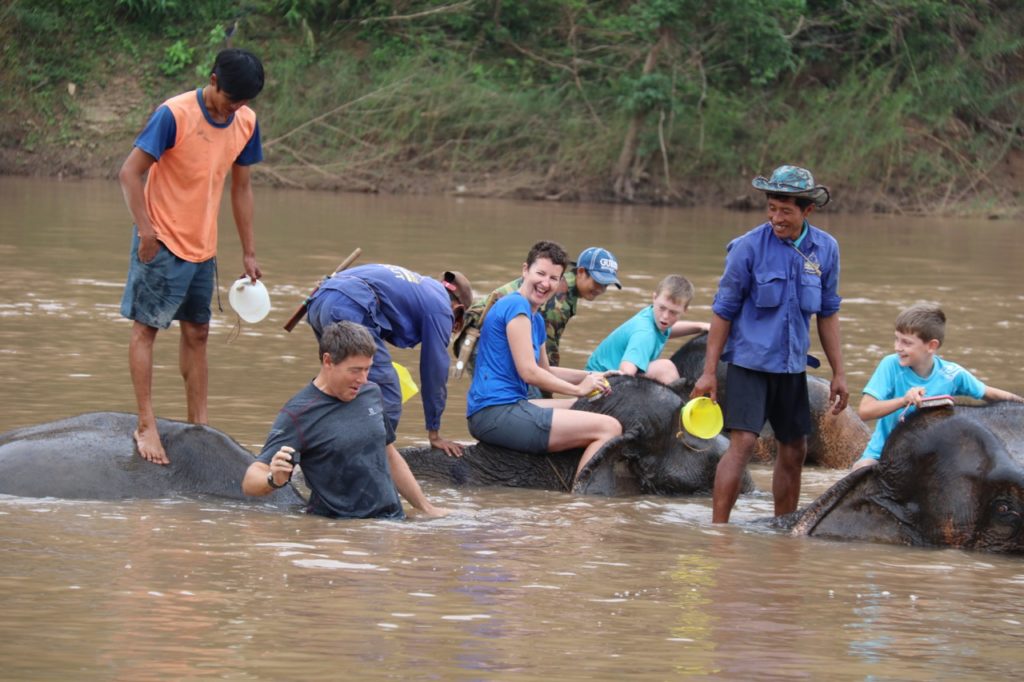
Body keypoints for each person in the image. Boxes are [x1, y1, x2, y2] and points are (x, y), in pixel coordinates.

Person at [118, 48, 266, 465]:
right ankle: (146, 424)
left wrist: (249, 251)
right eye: (230, 98)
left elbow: (241, 188)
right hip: (161, 240)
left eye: (243, 102)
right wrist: (146, 230)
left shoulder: (245, 121)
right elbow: (130, 173)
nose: (234, 108)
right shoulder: (175, 114)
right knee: (146, 330)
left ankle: (199, 425)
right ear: (213, 80)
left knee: (198, 333)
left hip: (205, 246)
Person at [691, 165, 849, 523]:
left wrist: (840, 372)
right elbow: (723, 312)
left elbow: (828, 313)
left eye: (786, 211)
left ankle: (785, 528)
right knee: (743, 444)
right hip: (749, 364)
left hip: (793, 368)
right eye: (772, 208)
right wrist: (709, 373)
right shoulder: (747, 248)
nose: (776, 218)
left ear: (807, 211)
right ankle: (719, 532)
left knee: (794, 449)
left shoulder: (825, 250)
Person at [242, 321, 450, 518]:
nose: (363, 379)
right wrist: (273, 479)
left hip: (390, 521)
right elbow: (250, 481)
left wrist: (425, 507)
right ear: (328, 361)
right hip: (341, 531)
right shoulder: (298, 414)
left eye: (367, 369)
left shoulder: (371, 393)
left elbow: (389, 454)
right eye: (355, 370)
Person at [466, 241, 622, 485]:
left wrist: (594, 375)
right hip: (494, 412)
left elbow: (545, 371)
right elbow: (529, 373)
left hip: (511, 405)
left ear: (560, 281)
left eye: (553, 278)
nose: (545, 283)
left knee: (585, 406)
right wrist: (579, 388)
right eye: (540, 273)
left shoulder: (536, 318)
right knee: (609, 428)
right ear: (525, 270)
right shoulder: (515, 305)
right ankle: (581, 501)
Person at [305, 264, 473, 457]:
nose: (452, 327)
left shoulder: (420, 285)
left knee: (341, 385)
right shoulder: (441, 308)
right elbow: (434, 372)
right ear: (457, 308)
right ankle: (370, 459)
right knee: (388, 393)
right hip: (350, 307)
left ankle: (320, 443)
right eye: (456, 323)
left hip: (320, 300)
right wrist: (434, 433)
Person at [852, 304, 1023, 470]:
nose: (898, 347)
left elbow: (990, 394)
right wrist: (904, 400)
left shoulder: (952, 374)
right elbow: (865, 411)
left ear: (931, 346)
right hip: (883, 452)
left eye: (906, 342)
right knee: (860, 468)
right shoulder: (890, 365)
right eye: (896, 339)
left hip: (932, 457)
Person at [455, 246, 622, 371]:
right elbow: (548, 351)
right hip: (480, 336)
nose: (601, 289)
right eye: (597, 282)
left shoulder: (565, 288)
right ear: (580, 272)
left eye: (606, 285)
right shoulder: (559, 297)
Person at [585, 274, 710, 383]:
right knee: (665, 369)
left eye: (673, 312)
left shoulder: (653, 316)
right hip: (600, 382)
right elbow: (626, 373)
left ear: (685, 310)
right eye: (662, 308)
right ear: (654, 298)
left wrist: (699, 326)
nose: (665, 317)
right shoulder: (645, 333)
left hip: (591, 375)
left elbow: (665, 330)